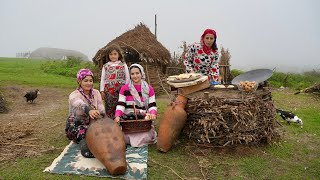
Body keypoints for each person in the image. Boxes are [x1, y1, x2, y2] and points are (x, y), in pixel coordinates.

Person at [65, 68, 106, 158]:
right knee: (83, 133)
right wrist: (90, 111)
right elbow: (80, 104)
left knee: (104, 132)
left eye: (91, 81)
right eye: (85, 80)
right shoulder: (74, 94)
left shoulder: (96, 93)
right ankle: (86, 150)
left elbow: (101, 107)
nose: (89, 83)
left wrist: (100, 113)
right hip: (76, 124)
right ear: (79, 81)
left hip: (93, 122)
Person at [114, 64, 157, 147]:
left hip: (143, 120)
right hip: (129, 120)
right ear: (130, 75)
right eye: (132, 74)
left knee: (145, 134)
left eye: (137, 73)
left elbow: (152, 104)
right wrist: (117, 115)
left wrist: (152, 113)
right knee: (124, 135)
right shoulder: (125, 88)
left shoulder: (149, 88)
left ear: (142, 74)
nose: (135, 76)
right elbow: (121, 104)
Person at [100, 44, 130, 119]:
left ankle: (120, 120)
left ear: (119, 54)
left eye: (115, 54)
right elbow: (103, 79)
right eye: (111, 54)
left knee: (120, 104)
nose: (113, 56)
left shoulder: (123, 65)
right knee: (109, 106)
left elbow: (127, 77)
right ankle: (110, 121)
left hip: (121, 89)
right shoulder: (106, 66)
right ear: (108, 55)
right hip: (109, 91)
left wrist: (126, 88)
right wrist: (102, 90)